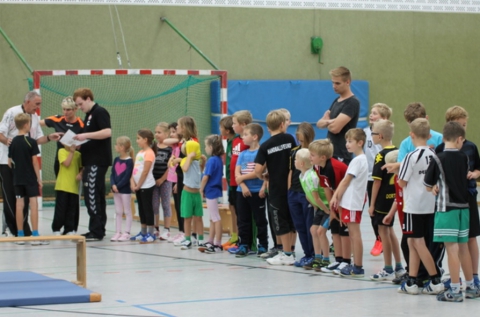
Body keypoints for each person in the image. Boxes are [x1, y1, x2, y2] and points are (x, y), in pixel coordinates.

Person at [425, 121, 480, 301]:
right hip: (464, 208)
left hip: (446, 209)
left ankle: (455, 290)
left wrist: (434, 186)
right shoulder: (464, 158)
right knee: (462, 247)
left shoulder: (437, 157)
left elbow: (427, 184)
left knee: (452, 249)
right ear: (458, 139)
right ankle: (471, 286)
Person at [0, 91, 62, 237]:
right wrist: (8, 142)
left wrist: (49, 137)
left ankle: (24, 230)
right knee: (11, 197)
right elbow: (0, 133)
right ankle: (13, 229)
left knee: (25, 200)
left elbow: (36, 139)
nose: (38, 107)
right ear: (28, 101)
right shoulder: (12, 112)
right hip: (6, 162)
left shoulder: (34, 118)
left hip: (25, 166)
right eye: (37, 104)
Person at [397, 118, 443, 295]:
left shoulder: (411, 156)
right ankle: (412, 280)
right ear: (430, 135)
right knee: (413, 241)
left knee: (417, 242)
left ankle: (435, 279)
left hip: (413, 205)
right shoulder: (434, 155)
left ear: (411, 135)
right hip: (430, 205)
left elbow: (402, 182)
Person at [255, 110, 296, 265]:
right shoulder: (290, 139)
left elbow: (258, 170)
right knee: (292, 220)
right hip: (292, 186)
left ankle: (286, 254)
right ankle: (290, 251)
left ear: (268, 128)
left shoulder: (265, 146)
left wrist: (264, 176)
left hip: (276, 189)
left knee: (281, 220)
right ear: (282, 124)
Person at [73, 88, 112, 241]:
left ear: (88, 99)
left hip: (97, 161)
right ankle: (98, 228)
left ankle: (96, 230)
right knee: (97, 195)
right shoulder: (88, 115)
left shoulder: (99, 112)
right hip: (91, 160)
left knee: (91, 195)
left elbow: (107, 132)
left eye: (80, 104)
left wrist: (85, 135)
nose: (79, 107)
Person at [367, 120, 404, 280]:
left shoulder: (380, 156)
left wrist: (372, 204)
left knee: (383, 232)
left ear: (380, 136)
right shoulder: (399, 151)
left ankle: (388, 267)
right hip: (394, 198)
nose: (372, 136)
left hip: (382, 199)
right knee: (390, 231)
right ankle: (399, 266)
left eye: (373, 133)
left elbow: (377, 182)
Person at [330, 128, 368, 278]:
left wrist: (335, 196)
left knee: (354, 234)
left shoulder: (358, 160)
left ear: (360, 143)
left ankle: (358, 267)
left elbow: (345, 181)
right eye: (346, 141)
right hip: (350, 203)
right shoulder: (358, 160)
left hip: (353, 203)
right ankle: (355, 264)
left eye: (350, 141)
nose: (347, 144)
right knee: (352, 234)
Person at [307, 139, 349, 274]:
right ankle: (338, 259)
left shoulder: (335, 168)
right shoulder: (317, 167)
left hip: (347, 197)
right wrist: (332, 210)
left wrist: (339, 211)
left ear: (322, 157)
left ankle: (346, 262)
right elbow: (326, 188)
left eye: (312, 155)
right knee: (335, 230)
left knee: (343, 229)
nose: (310, 157)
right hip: (335, 198)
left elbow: (340, 189)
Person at [7, 113, 47, 245]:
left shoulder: (12, 143)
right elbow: (35, 163)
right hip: (30, 179)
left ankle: (20, 235)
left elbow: (9, 162)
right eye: (29, 123)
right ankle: (35, 235)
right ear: (26, 125)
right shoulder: (31, 142)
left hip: (17, 179)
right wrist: (39, 179)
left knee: (19, 205)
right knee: (33, 204)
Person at [295, 148, 331, 271]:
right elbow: (308, 195)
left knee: (321, 232)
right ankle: (317, 258)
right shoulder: (302, 176)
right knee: (313, 230)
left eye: (295, 159)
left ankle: (326, 259)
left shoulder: (312, 176)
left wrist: (327, 210)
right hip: (320, 207)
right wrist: (315, 207)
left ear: (301, 164)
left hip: (327, 207)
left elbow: (317, 197)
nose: (294, 161)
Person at [235, 123, 268, 257]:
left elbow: (258, 172)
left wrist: (262, 187)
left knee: (260, 220)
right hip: (242, 192)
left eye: (246, 134)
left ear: (255, 137)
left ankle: (263, 245)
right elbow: (237, 173)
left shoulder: (262, 153)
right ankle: (243, 244)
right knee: (243, 219)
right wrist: (242, 185)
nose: (242, 137)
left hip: (257, 192)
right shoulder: (242, 154)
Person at [364, 103, 392, 257]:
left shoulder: (385, 136)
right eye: (371, 112)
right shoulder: (365, 133)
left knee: (380, 208)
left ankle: (383, 237)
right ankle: (379, 238)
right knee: (372, 210)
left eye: (375, 113)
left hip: (381, 176)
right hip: (369, 176)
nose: (371, 115)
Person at [316, 66, 360, 165]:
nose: (334, 86)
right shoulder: (337, 101)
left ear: (347, 82)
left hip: (342, 154)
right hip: (330, 152)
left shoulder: (352, 102)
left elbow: (335, 128)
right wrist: (330, 121)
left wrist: (328, 123)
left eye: (337, 83)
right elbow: (319, 124)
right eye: (333, 82)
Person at [288, 122, 315, 267]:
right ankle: (306, 254)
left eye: (303, 140)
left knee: (309, 225)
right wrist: (289, 190)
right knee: (299, 226)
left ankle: (314, 254)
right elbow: (291, 171)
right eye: (299, 140)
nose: (301, 142)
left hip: (308, 194)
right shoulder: (294, 152)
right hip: (294, 192)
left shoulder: (314, 151)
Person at [223, 110, 251, 251]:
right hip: (233, 183)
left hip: (243, 184)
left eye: (235, 123)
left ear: (244, 124)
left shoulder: (247, 142)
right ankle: (238, 239)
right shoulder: (235, 141)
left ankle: (246, 242)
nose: (233, 126)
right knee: (236, 212)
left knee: (243, 215)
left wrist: (242, 181)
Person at [175, 116, 204, 250]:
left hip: (196, 192)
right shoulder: (187, 158)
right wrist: (184, 158)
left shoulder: (193, 145)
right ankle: (187, 239)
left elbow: (200, 165)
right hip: (187, 191)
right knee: (187, 218)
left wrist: (200, 158)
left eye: (179, 125)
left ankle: (201, 239)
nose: (176, 127)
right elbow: (184, 167)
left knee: (198, 217)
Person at [40, 96, 84, 176]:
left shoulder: (81, 124)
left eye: (68, 110)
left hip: (75, 160)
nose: (65, 112)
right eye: (64, 109)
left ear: (75, 109)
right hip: (60, 160)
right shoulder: (57, 119)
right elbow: (37, 124)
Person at [130, 129, 157, 243]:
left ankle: (151, 233)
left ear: (145, 140)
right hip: (138, 186)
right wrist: (133, 182)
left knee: (147, 208)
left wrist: (139, 185)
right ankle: (143, 231)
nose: (137, 141)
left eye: (138, 138)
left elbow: (145, 171)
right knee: (141, 208)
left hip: (146, 185)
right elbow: (135, 169)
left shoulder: (149, 153)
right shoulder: (140, 152)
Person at [199, 134, 225, 253]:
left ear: (211, 147)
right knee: (212, 218)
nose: (205, 148)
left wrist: (201, 189)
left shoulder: (212, 160)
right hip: (213, 191)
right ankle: (210, 241)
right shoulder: (219, 159)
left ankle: (218, 244)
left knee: (215, 218)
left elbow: (206, 177)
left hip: (211, 191)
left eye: (206, 146)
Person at [52, 143, 82, 236]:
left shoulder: (78, 155)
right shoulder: (61, 151)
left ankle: (69, 228)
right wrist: (72, 152)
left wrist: (81, 174)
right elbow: (66, 163)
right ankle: (56, 228)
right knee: (61, 208)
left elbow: (82, 167)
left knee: (71, 208)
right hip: (62, 186)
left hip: (73, 186)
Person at [110, 136, 134, 242]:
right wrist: (113, 185)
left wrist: (118, 186)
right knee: (118, 211)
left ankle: (127, 232)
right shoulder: (116, 159)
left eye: (117, 144)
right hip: (116, 190)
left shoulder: (129, 161)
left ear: (122, 147)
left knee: (127, 211)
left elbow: (127, 176)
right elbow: (112, 174)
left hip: (124, 190)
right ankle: (118, 232)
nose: (115, 146)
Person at [219, 116, 238, 248]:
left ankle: (239, 238)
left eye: (221, 128)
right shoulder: (230, 142)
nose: (220, 130)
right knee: (232, 208)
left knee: (237, 211)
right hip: (231, 182)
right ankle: (234, 236)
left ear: (227, 130)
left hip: (237, 183)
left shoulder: (236, 142)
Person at [152, 122, 173, 240]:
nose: (156, 134)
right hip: (153, 181)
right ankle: (156, 228)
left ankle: (167, 229)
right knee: (154, 205)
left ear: (167, 134)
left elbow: (170, 167)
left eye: (159, 132)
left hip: (165, 181)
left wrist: (162, 179)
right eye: (155, 132)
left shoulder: (170, 148)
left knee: (165, 204)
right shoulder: (153, 146)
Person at [165, 122, 185, 243]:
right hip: (173, 179)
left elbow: (181, 167)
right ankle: (180, 231)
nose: (171, 134)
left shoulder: (181, 145)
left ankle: (184, 231)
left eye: (174, 131)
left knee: (181, 207)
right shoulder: (175, 147)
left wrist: (178, 183)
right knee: (177, 207)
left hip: (179, 180)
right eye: (170, 132)